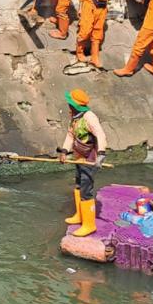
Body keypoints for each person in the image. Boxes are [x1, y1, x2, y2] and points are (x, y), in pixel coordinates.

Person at [57, 88, 107, 237]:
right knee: (78, 185)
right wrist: (64, 152)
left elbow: (100, 135)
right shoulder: (75, 118)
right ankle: (79, 215)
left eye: (70, 104)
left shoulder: (89, 117)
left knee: (86, 189)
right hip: (79, 157)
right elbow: (70, 136)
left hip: (90, 158)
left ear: (75, 105)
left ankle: (89, 224)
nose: (68, 106)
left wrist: (101, 154)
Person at [75, 0, 126, 69]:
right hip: (89, 4)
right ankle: (79, 53)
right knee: (85, 30)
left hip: (102, 7)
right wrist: (80, 8)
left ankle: (95, 57)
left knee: (98, 32)